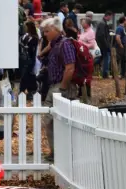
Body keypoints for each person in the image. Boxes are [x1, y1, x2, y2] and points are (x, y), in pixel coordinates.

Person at [41, 16, 77, 156]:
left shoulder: (65, 44)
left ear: (56, 30)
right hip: (54, 85)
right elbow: (42, 54)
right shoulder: (55, 44)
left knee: (56, 120)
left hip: (60, 86)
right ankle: (55, 152)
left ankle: (59, 153)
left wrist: (62, 87)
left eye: (47, 31)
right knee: (49, 119)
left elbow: (70, 68)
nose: (45, 34)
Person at [19, 21, 40, 98]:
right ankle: (29, 90)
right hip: (23, 59)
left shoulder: (34, 38)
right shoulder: (25, 36)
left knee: (27, 75)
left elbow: (33, 50)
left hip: (30, 59)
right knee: (26, 75)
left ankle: (25, 90)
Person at [96, 11, 113, 79]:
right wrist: (107, 45)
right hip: (103, 45)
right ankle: (105, 74)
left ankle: (104, 73)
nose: (111, 18)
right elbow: (102, 36)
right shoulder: (103, 23)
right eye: (111, 16)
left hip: (101, 45)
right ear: (108, 16)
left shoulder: (102, 23)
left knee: (100, 58)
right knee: (106, 59)